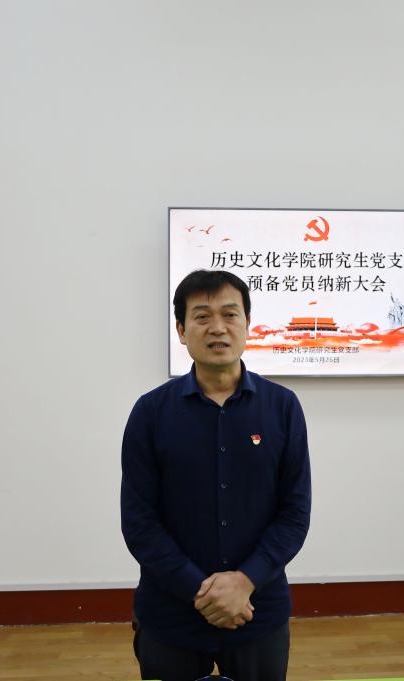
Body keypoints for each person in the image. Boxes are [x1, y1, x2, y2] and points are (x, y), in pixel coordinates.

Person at [121, 269, 312, 681]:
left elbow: (294, 515)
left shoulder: (283, 408)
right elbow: (139, 523)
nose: (218, 327)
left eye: (230, 314)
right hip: (171, 614)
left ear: (248, 323)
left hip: (257, 610)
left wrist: (244, 582)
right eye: (202, 316)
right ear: (181, 330)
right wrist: (201, 591)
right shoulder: (150, 413)